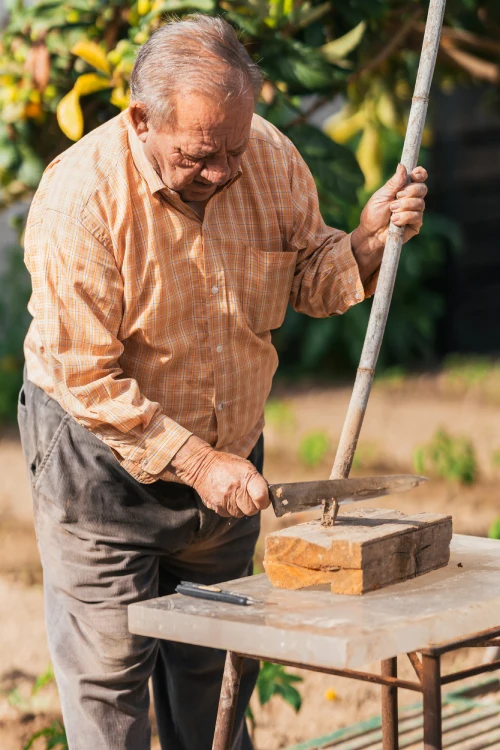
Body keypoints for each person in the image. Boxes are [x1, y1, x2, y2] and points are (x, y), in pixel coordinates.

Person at [18, 14, 428, 750]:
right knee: (111, 683)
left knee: (213, 677)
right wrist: (200, 465)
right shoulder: (79, 201)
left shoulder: (262, 155)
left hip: (230, 463)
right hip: (101, 469)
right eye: (201, 156)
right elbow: (89, 380)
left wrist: (366, 245)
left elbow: (309, 273)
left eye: (233, 150)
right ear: (142, 119)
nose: (223, 173)